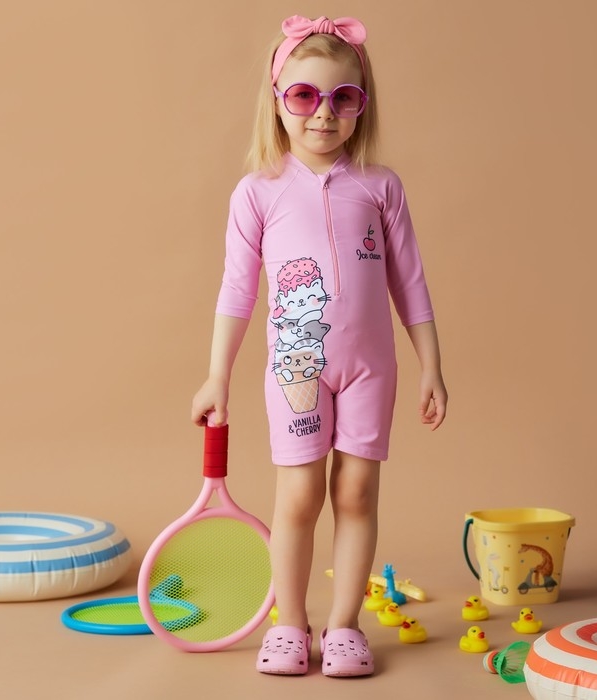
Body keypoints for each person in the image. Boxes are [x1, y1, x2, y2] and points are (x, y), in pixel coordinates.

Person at [191, 15, 447, 677]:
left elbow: (410, 282)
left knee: (357, 492)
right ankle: (290, 624)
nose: (323, 113)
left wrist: (431, 365)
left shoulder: (380, 187)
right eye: (304, 96)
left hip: (371, 370)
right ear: (278, 101)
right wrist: (217, 376)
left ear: (362, 104)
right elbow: (237, 290)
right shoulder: (258, 192)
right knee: (300, 496)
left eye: (343, 98)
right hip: (296, 370)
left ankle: (344, 626)